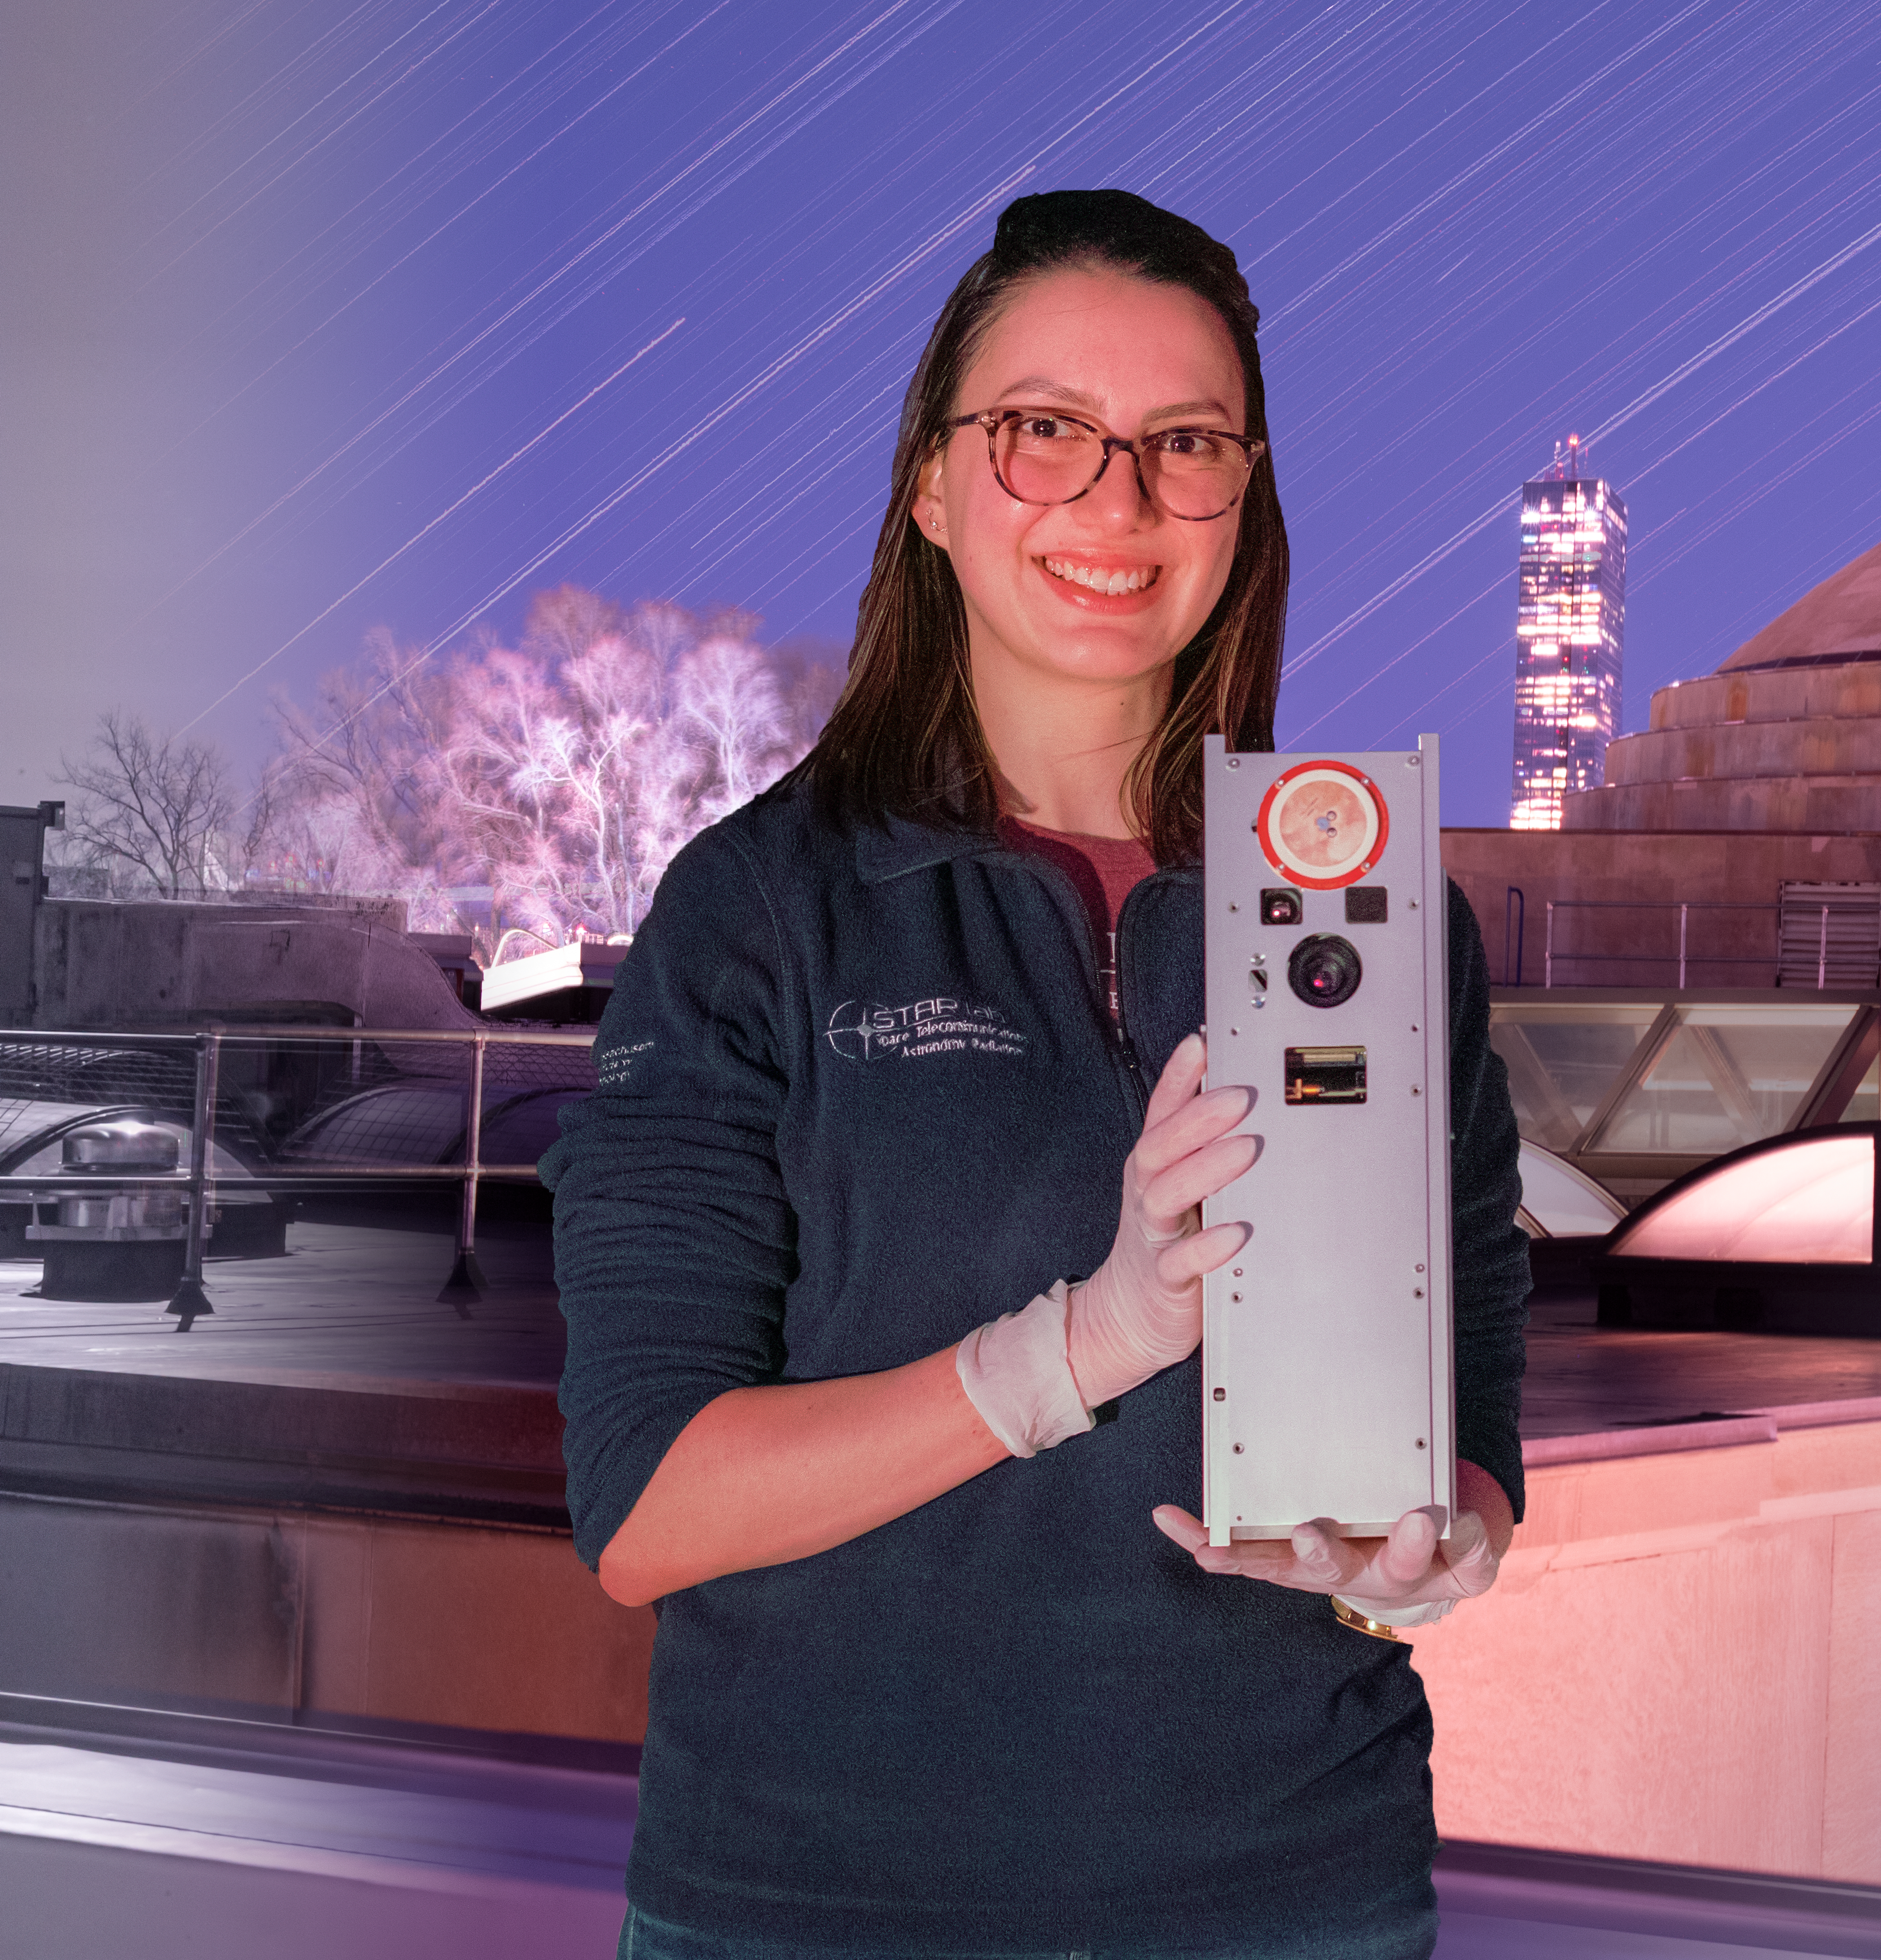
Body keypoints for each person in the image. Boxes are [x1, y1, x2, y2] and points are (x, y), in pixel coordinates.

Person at [544, 188, 1529, 1960]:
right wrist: (1089, 1343)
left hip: (1297, 1897)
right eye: (1045, 433)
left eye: (1185, 442)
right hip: (818, 1909)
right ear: (931, 485)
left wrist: (1438, 1545)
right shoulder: (766, 911)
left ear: (1247, 496)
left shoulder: (1366, 913)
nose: (1119, 500)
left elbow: (1468, 1391)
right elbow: (646, 1509)